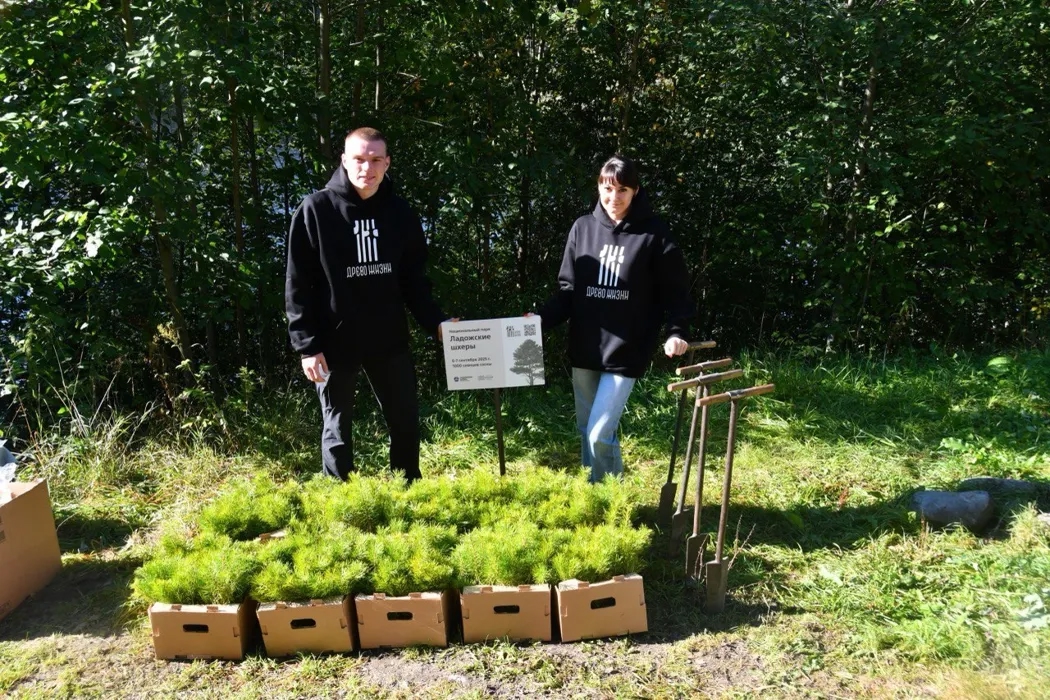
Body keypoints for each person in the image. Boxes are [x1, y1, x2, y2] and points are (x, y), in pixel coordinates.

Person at [285, 127, 452, 482]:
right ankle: (344, 498)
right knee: (337, 428)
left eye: (376, 159)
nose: (367, 167)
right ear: (344, 161)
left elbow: (414, 281)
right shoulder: (315, 210)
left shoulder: (400, 213)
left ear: (387, 163)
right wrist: (307, 346)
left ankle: (409, 491)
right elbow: (298, 285)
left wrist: (436, 323)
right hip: (334, 342)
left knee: (405, 421)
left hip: (388, 337)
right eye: (359, 159)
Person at [535, 155, 693, 482]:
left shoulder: (654, 234)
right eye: (608, 188)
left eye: (623, 190)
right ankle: (600, 495)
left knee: (599, 433)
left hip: (627, 350)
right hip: (585, 347)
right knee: (587, 430)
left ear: (636, 191)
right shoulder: (582, 228)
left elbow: (676, 292)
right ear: (598, 187)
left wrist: (676, 331)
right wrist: (536, 323)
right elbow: (568, 291)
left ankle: (609, 501)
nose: (614, 197)